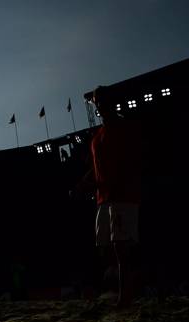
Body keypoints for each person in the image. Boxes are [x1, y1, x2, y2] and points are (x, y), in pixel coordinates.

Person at [78, 85, 141, 307]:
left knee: (121, 248)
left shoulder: (122, 127)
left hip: (122, 194)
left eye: (101, 99)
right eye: (97, 100)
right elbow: (97, 166)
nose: (98, 103)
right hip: (104, 196)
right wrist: (86, 181)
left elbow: (130, 161)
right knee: (106, 248)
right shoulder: (98, 136)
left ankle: (126, 298)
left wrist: (97, 181)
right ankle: (118, 291)